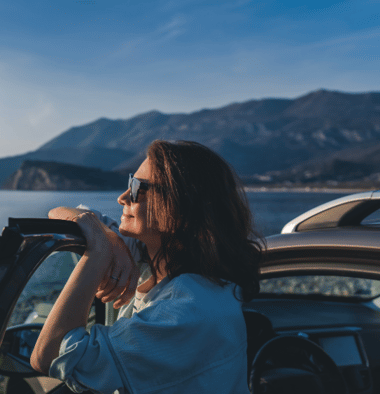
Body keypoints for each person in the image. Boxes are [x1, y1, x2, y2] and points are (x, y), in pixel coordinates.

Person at [30, 140, 262, 394]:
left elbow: (48, 356)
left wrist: (98, 253)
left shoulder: (186, 313)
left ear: (179, 206)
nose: (122, 197)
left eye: (137, 187)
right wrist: (109, 238)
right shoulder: (150, 253)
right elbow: (60, 213)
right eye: (131, 181)